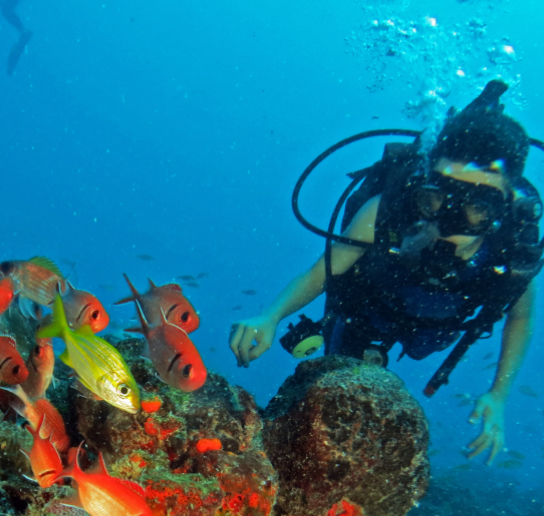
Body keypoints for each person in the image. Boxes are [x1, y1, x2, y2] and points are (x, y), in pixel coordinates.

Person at [229, 81, 542, 464]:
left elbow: (520, 313)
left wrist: (499, 394)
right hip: (367, 308)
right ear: (426, 181)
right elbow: (321, 273)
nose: (451, 221)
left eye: (478, 207)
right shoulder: (387, 208)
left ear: (507, 201)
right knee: (332, 400)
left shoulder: (518, 242)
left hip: (438, 327)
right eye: (439, 198)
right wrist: (271, 314)